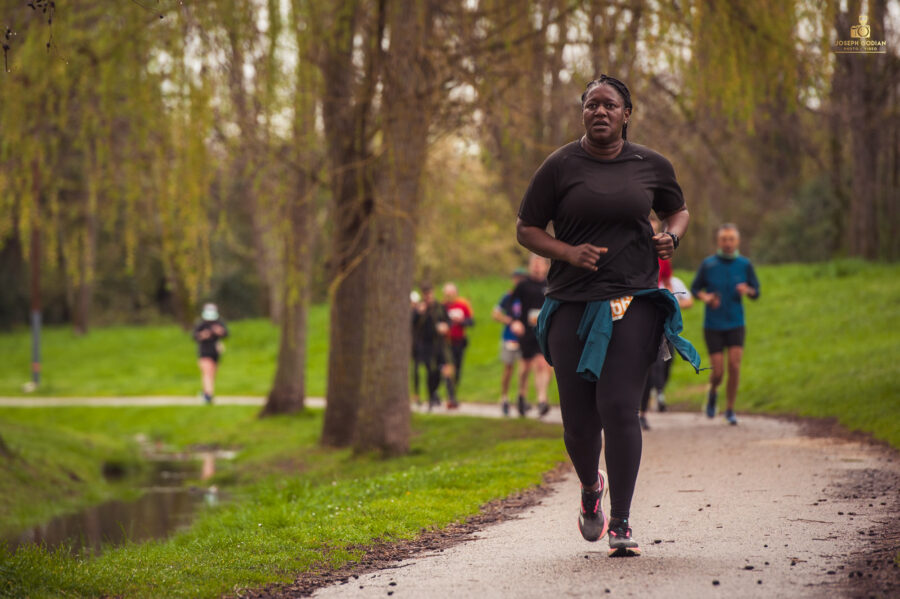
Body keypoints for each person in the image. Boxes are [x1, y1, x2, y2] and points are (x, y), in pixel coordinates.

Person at [516, 75, 699, 557]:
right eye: (591, 105)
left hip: (633, 300)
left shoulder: (651, 164)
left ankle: (621, 522)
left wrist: (671, 237)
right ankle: (589, 486)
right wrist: (568, 252)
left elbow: (677, 211)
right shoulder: (559, 166)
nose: (599, 112)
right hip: (571, 304)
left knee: (620, 409)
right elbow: (527, 228)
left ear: (626, 114)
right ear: (583, 114)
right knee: (579, 423)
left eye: (609, 105)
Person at [690, 223, 760, 426]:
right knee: (718, 371)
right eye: (724, 239)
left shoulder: (745, 264)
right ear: (718, 242)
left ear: (737, 241)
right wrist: (707, 297)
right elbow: (695, 289)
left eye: (731, 239)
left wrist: (747, 290)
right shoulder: (708, 264)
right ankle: (712, 392)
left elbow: (756, 292)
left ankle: (730, 409)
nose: (728, 243)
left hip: (736, 322)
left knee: (735, 366)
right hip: (713, 324)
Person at [639, 258, 694, 430]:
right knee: (650, 366)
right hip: (642, 324)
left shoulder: (667, 272)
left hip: (664, 328)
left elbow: (685, 299)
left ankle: (657, 395)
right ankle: (642, 412)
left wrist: (671, 302)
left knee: (663, 362)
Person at [509, 255, 553, 418]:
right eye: (533, 263)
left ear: (546, 266)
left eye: (539, 263)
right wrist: (514, 321)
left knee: (542, 364)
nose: (536, 266)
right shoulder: (522, 285)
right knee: (526, 366)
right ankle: (521, 395)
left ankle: (542, 400)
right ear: (529, 266)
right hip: (525, 331)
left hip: (542, 330)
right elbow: (512, 304)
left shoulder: (550, 284)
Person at [411, 285, 457, 409]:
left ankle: (450, 396)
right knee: (431, 371)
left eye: (430, 294)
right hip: (425, 345)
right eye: (426, 295)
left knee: (445, 368)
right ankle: (431, 396)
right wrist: (418, 313)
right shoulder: (420, 308)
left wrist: (446, 326)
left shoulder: (439, 307)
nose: (428, 297)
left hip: (439, 343)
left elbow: (448, 320)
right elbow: (412, 324)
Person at [491, 268, 527, 416]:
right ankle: (504, 397)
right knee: (509, 369)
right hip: (510, 337)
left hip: (525, 338)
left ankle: (521, 398)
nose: (519, 281)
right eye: (517, 279)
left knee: (524, 369)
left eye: (521, 279)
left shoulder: (529, 296)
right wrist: (510, 321)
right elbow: (495, 314)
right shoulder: (509, 296)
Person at [192, 303, 228, 404]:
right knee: (207, 373)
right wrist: (203, 335)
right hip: (204, 351)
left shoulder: (218, 323)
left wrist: (220, 332)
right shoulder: (201, 324)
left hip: (216, 352)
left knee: (212, 374)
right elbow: (195, 336)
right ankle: (208, 395)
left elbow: (226, 334)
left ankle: (206, 393)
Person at [442, 283, 474, 387]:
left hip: (459, 341)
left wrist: (461, 321)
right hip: (446, 341)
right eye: (448, 293)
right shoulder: (442, 306)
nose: (450, 295)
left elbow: (471, 322)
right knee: (447, 365)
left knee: (458, 367)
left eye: (452, 293)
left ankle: (454, 389)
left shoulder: (463, 305)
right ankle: (450, 394)